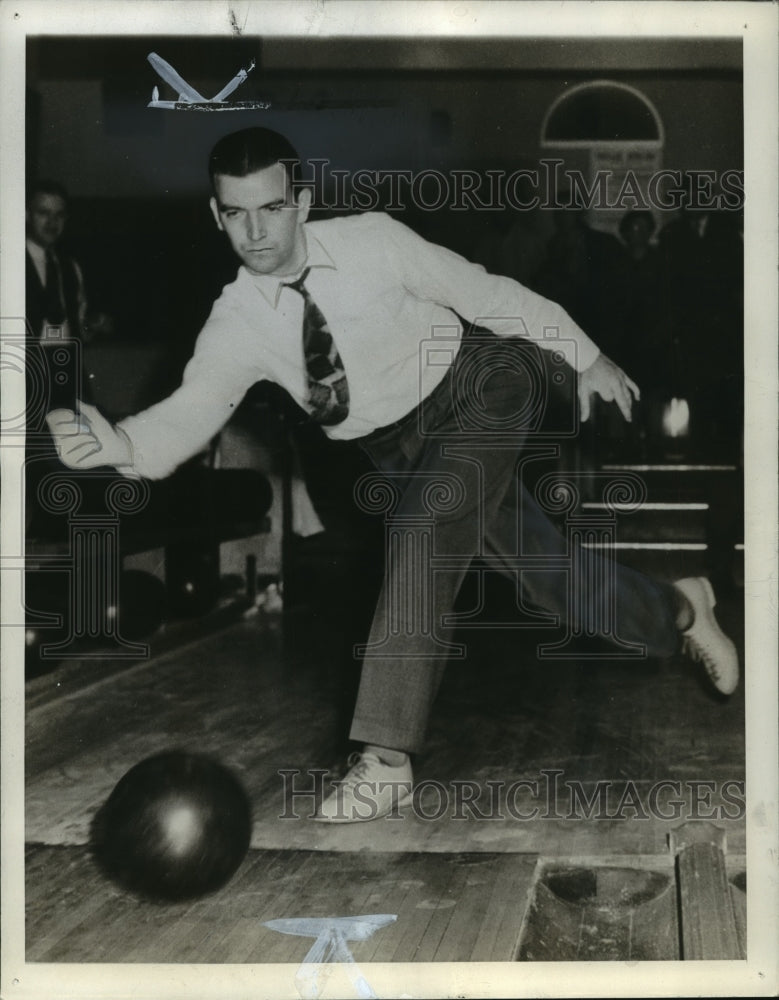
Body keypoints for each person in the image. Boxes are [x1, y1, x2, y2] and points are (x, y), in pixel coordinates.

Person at [46, 127, 739, 823]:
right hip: (390, 447)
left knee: (420, 526)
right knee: (545, 574)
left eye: (272, 208)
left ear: (303, 201)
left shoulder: (372, 240)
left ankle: (384, 758)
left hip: (479, 387)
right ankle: (680, 608)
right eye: (236, 213)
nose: (255, 231)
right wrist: (123, 444)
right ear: (215, 214)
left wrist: (582, 356)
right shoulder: (236, 321)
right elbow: (192, 411)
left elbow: (487, 292)